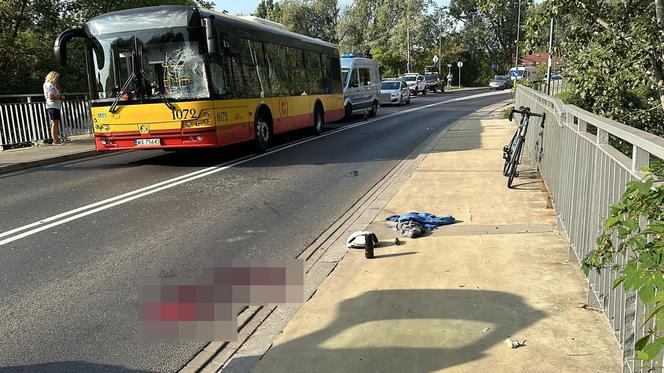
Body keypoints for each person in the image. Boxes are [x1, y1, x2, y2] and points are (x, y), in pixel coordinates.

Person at [43, 71, 65, 144]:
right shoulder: (49, 85)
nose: (57, 79)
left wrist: (57, 85)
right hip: (52, 106)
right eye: (56, 78)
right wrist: (60, 98)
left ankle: (56, 139)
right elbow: (51, 97)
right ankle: (55, 140)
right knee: (54, 123)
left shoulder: (52, 85)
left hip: (55, 106)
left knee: (56, 123)